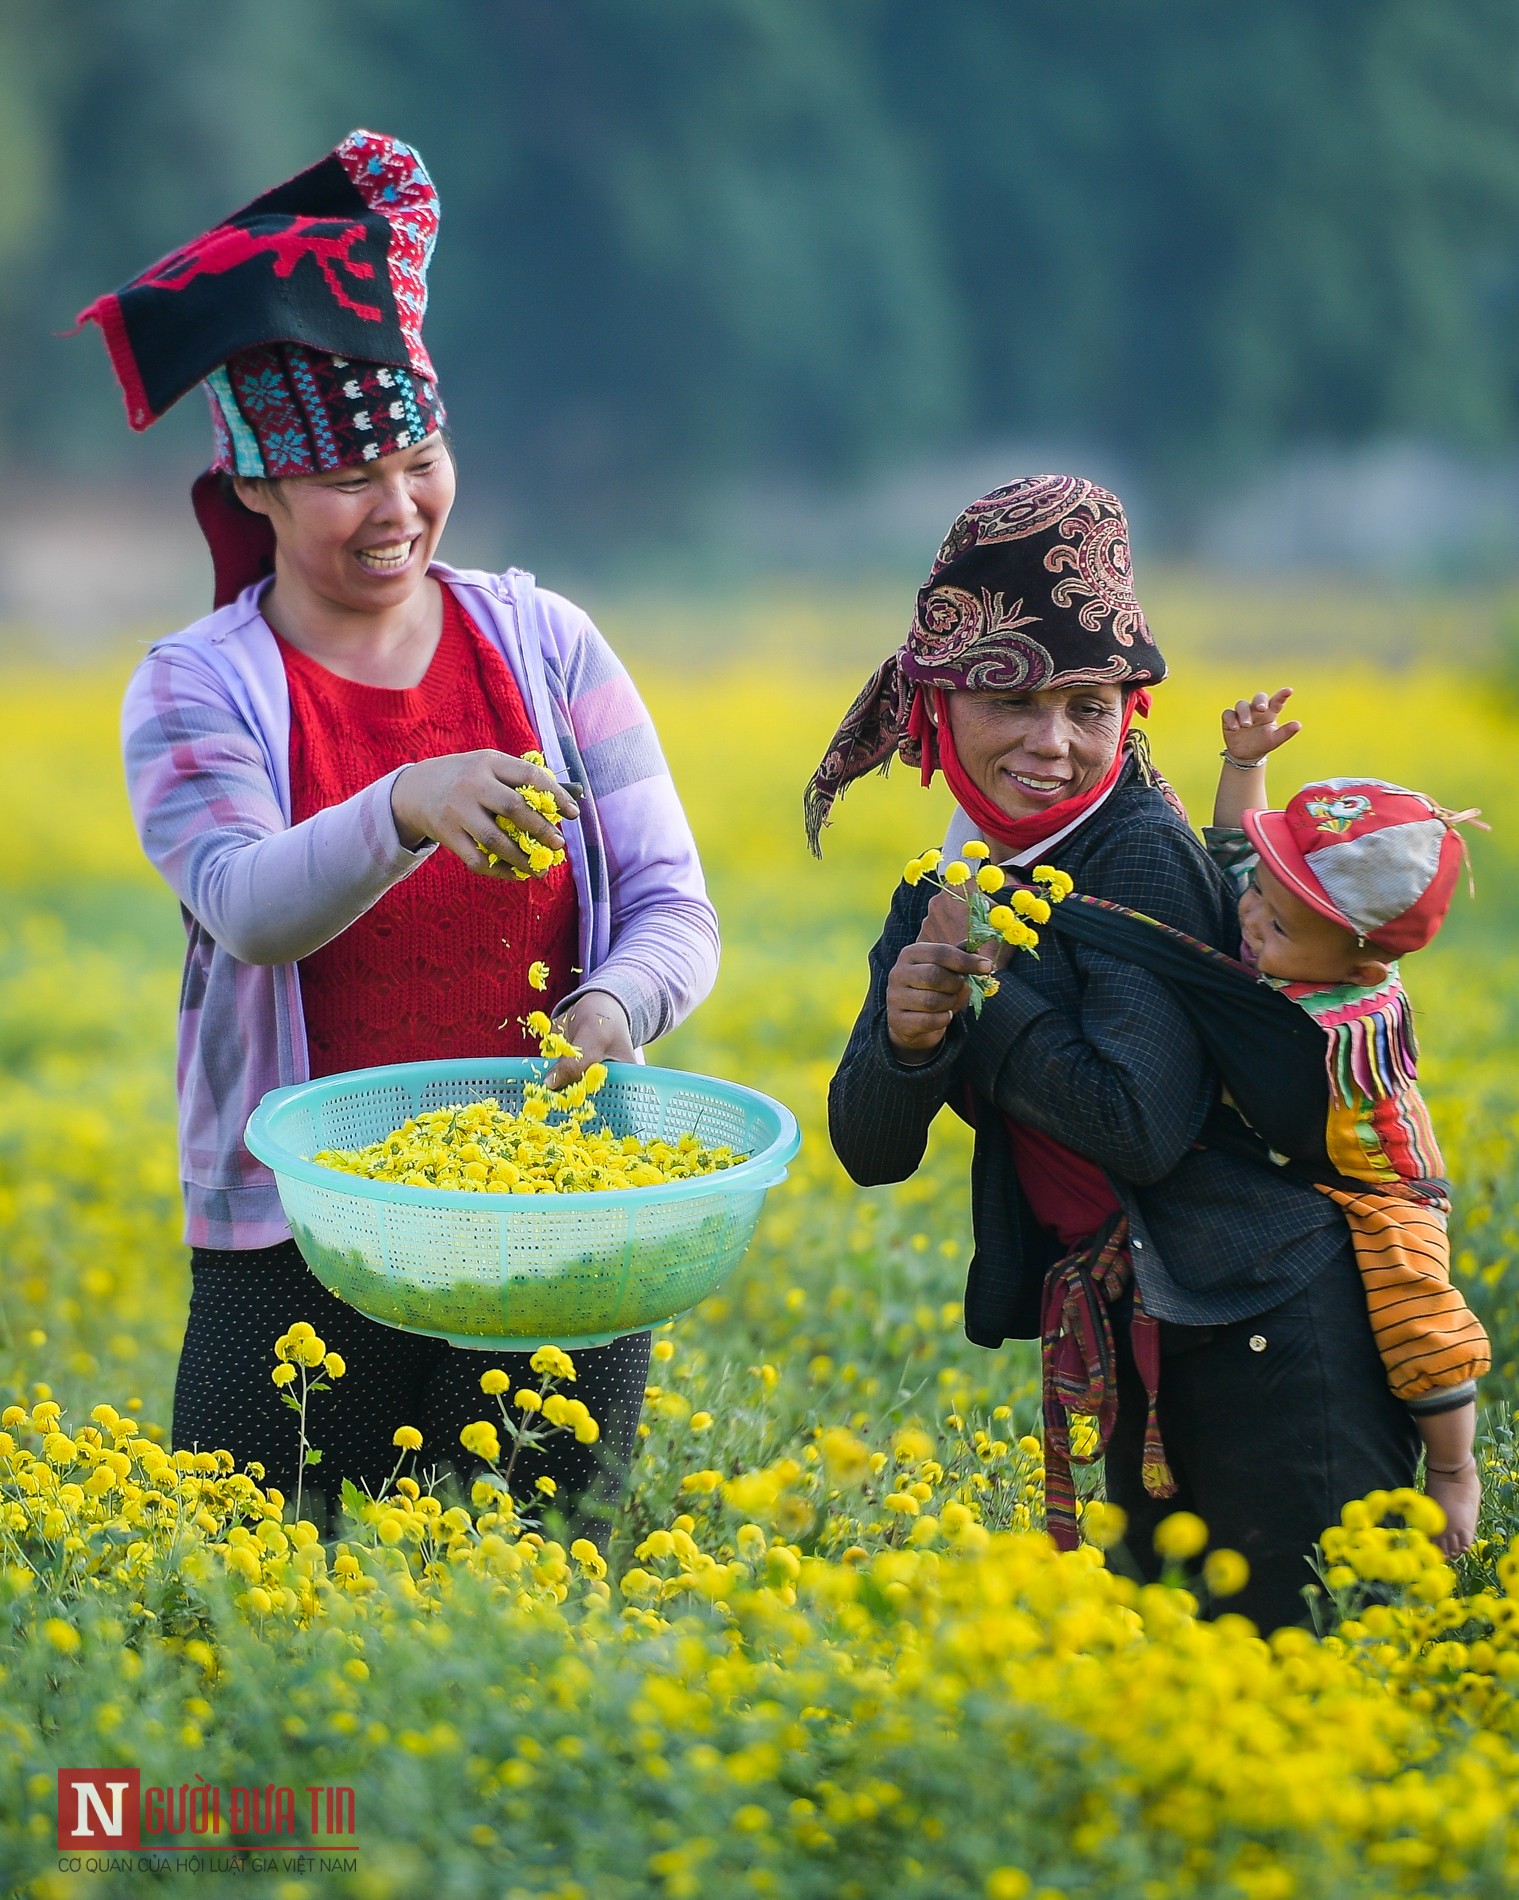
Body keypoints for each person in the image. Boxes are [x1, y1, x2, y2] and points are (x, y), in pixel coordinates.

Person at [82, 130, 719, 1538]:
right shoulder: (195, 687)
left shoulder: (545, 644)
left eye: (418, 459)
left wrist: (611, 1009)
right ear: (253, 490)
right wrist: (401, 804)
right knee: (248, 1584)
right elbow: (245, 904)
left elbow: (672, 905)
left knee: (544, 1571)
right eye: (344, 478)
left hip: (555, 1210)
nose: (397, 508)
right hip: (294, 1233)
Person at [811, 474, 1420, 1633]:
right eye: (1015, 701)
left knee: (1315, 1661)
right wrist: (907, 1024)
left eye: (1090, 705)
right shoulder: (951, 880)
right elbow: (868, 1147)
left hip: (1271, 1324)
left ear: (1129, 714)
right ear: (941, 706)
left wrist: (980, 1002)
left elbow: (1135, 1121)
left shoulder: (1135, 853)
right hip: (1157, 1333)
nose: (1054, 743)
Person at [1208, 688, 1489, 1554]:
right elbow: (1230, 854)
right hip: (1307, 1162)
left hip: (1383, 1182)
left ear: (1359, 960)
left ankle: (1451, 1468)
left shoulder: (1341, 1020)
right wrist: (1245, 764)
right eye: (1263, 890)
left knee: (1415, 1319)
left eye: (1279, 920)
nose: (1249, 916)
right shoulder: (1294, 929)